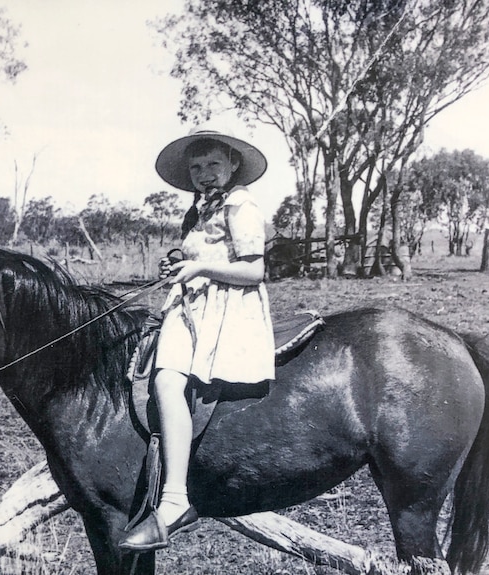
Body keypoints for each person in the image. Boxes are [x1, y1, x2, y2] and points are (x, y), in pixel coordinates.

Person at [119, 128, 275, 552]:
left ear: (233, 165)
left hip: (229, 308)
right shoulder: (200, 209)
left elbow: (254, 270)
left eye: (213, 165)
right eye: (196, 167)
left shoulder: (241, 204)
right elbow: (200, 255)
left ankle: (174, 499)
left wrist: (200, 269)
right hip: (192, 304)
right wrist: (181, 264)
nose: (204, 174)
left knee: (168, 381)